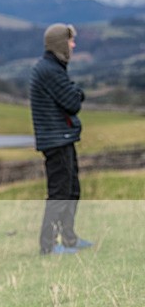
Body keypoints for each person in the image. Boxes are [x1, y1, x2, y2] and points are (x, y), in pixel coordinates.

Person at [30, 23, 93, 255]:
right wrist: (78, 92)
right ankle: (49, 244)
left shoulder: (50, 67)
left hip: (60, 137)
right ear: (60, 44)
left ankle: (68, 238)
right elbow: (73, 102)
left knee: (72, 189)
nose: (73, 45)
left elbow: (70, 95)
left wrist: (74, 91)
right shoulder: (51, 71)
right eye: (70, 40)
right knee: (60, 192)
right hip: (56, 139)